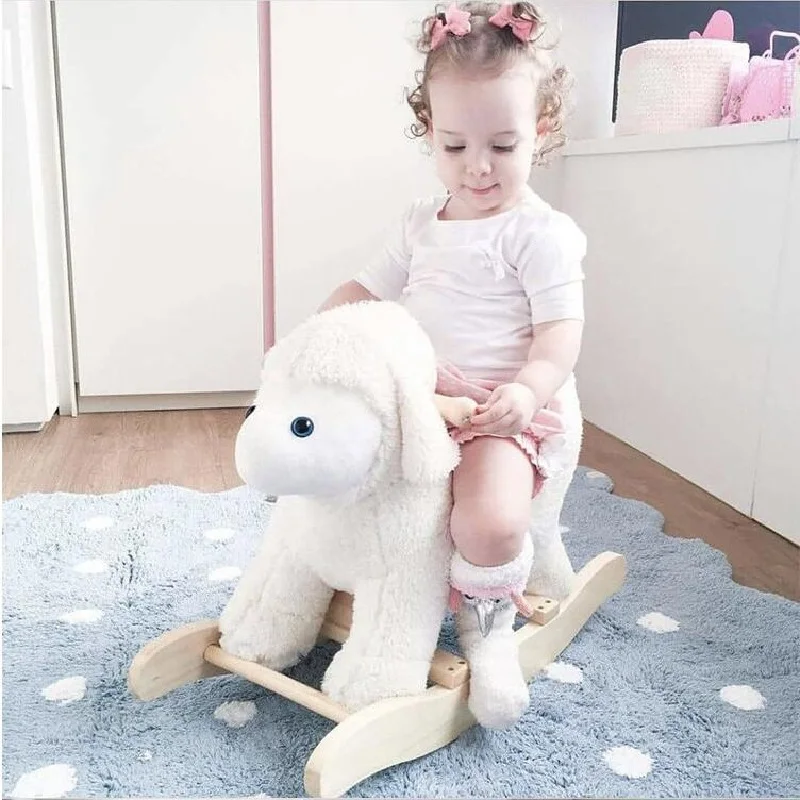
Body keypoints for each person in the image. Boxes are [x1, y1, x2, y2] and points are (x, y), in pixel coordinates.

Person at [320, 1, 586, 729]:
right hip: (421, 399)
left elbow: (560, 335)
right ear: (428, 130)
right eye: (455, 144)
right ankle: (322, 578)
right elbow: (363, 290)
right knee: (337, 473)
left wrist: (528, 391)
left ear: (541, 130)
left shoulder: (539, 233)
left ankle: (488, 628)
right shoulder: (421, 223)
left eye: (503, 144)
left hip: (496, 410)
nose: (478, 166)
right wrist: (315, 339)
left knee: (492, 523)